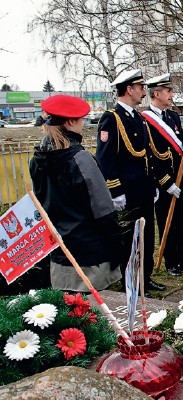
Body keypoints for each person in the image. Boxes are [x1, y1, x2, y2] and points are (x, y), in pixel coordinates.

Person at [30, 94, 123, 292]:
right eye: (81, 120)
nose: (83, 124)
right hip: (90, 258)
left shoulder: (37, 159)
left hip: (60, 253)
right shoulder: (80, 159)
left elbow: (41, 204)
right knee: (94, 317)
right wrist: (118, 246)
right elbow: (103, 210)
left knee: (67, 316)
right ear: (71, 121)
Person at [96, 69, 165, 292]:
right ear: (129, 89)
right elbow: (105, 160)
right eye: (141, 87)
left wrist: (153, 183)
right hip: (127, 191)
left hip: (143, 188)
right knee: (130, 240)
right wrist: (115, 191)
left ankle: (145, 277)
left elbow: (147, 155)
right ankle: (131, 282)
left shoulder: (138, 117)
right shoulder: (112, 118)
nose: (144, 92)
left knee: (146, 236)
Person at [142, 73, 183, 276]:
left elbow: (180, 146)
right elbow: (150, 155)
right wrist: (166, 182)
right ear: (156, 93)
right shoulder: (146, 120)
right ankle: (172, 261)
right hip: (164, 181)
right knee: (167, 220)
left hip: (180, 177)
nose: (171, 94)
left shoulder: (173, 116)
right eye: (168, 91)